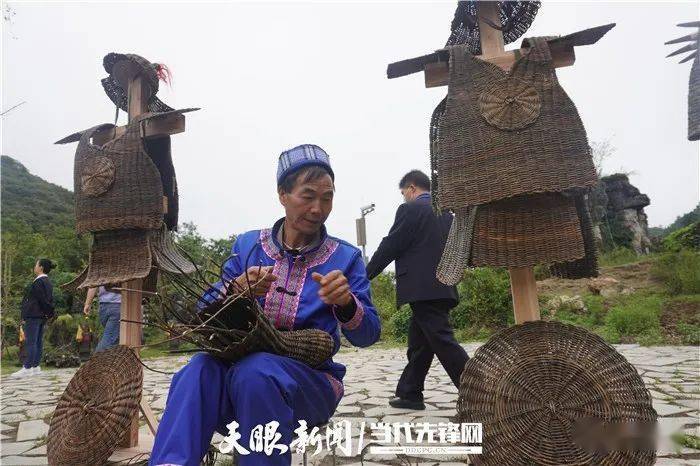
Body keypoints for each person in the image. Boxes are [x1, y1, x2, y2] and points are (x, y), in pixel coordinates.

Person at [150, 144, 381, 466]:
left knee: (256, 371)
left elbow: (368, 335)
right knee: (198, 370)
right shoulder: (247, 246)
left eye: (327, 198)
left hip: (309, 386)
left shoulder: (345, 258)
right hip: (236, 382)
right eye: (308, 195)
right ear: (283, 194)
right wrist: (235, 288)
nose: (318, 208)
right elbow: (205, 309)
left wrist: (345, 303)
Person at [366, 170, 469, 410]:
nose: (404, 199)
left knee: (444, 342)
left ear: (411, 188)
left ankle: (480, 389)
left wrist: (365, 275)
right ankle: (410, 394)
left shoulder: (410, 210)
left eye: (404, 194)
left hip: (423, 288)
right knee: (420, 343)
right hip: (445, 285)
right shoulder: (448, 215)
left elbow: (392, 244)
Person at [12, 258, 55, 378]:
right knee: (37, 341)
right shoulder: (47, 282)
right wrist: (49, 313)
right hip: (41, 316)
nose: (34, 267)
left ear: (40, 267)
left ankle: (27, 367)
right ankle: (35, 367)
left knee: (31, 342)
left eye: (36, 265)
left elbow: (40, 300)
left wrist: (26, 314)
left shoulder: (38, 282)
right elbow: (49, 301)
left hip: (33, 315)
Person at [83, 285, 121, 352]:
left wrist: (87, 304)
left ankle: (112, 360)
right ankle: (97, 359)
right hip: (118, 305)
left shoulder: (99, 274)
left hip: (103, 306)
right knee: (110, 338)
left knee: (114, 338)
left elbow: (93, 284)